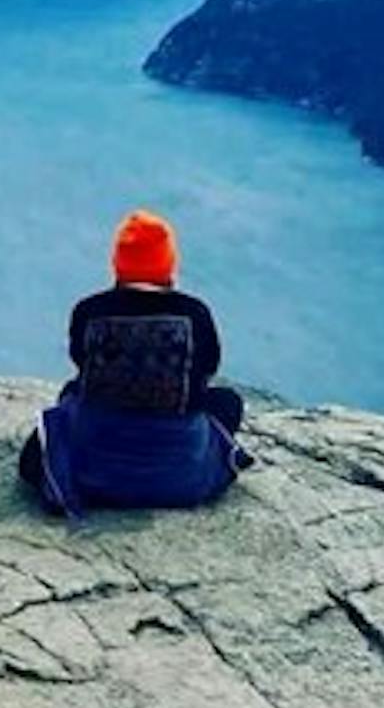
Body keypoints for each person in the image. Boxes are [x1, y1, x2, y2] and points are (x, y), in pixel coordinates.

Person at [18, 209, 248, 519]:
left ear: (118, 263)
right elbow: (208, 367)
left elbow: (80, 361)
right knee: (227, 402)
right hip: (182, 479)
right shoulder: (195, 313)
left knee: (68, 399)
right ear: (169, 264)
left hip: (97, 475)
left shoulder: (90, 310)